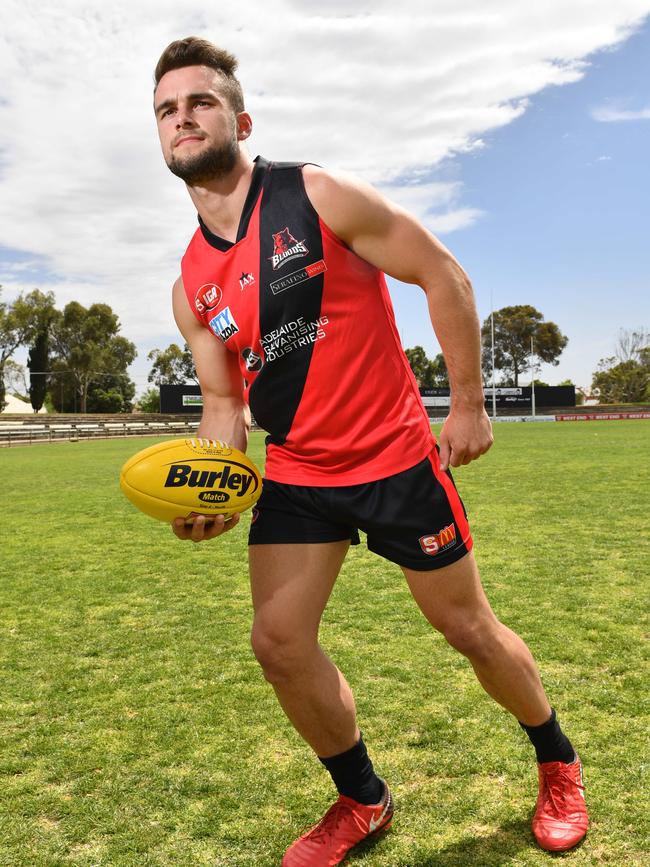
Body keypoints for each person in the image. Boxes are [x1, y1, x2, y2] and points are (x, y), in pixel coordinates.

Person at [153, 36, 589, 866]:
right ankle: (362, 798)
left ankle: (557, 759)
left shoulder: (315, 194)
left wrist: (467, 405)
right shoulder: (189, 285)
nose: (184, 118)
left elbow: (443, 273)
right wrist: (212, 492)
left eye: (200, 101)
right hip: (300, 476)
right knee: (277, 643)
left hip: (394, 460)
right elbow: (223, 404)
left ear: (239, 118)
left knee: (467, 628)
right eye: (168, 109)